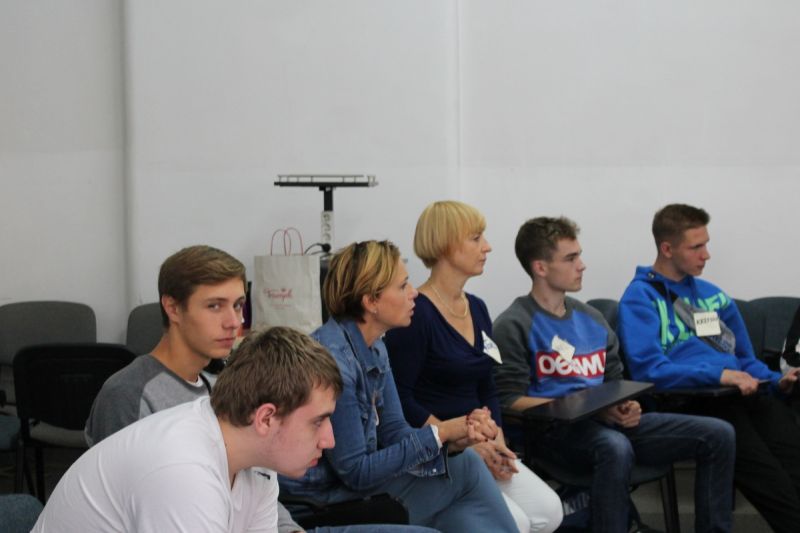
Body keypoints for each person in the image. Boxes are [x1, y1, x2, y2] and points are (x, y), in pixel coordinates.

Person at [85, 244, 420, 533]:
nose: (234, 321)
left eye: (238, 305)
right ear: (172, 308)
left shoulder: (217, 386)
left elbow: (257, 484)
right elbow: (129, 508)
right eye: (214, 306)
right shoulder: (129, 393)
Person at [493, 216, 736, 533]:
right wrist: (580, 406)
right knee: (614, 446)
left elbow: (615, 384)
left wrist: (626, 406)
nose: (582, 265)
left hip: (605, 424)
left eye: (579, 255)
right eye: (570, 258)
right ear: (540, 267)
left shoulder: (593, 318)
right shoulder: (514, 324)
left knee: (719, 434)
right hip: (554, 435)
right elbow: (508, 401)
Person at [280, 240, 520, 533]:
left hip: (352, 486)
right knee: (466, 471)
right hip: (323, 500)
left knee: (462, 467)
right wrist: (441, 433)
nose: (414, 292)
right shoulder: (334, 362)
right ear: (371, 301)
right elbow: (356, 472)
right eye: (403, 286)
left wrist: (454, 439)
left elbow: (395, 430)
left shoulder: (375, 346)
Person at [33, 326, 342, 532]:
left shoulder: (257, 463)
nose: (329, 440)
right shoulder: (183, 470)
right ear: (265, 419)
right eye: (318, 421)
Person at [617, 203, 800, 533]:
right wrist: (718, 375)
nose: (707, 255)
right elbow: (649, 371)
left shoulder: (712, 296)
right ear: (667, 249)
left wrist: (778, 380)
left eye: (706, 244)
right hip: (692, 400)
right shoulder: (640, 298)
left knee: (792, 452)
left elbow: (745, 360)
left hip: (740, 393)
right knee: (769, 477)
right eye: (696, 247)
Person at [384, 201, 562, 533]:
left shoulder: (477, 308)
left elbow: (487, 385)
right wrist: (460, 440)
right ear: (446, 245)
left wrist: (497, 439)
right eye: (476, 238)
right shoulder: (416, 314)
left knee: (549, 511)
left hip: (480, 441)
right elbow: (402, 400)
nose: (487, 247)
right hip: (441, 451)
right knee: (518, 524)